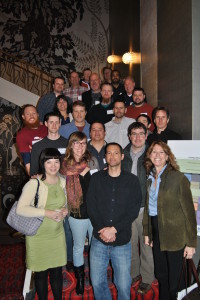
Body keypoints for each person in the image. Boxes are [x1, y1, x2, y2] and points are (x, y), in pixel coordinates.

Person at [87, 142, 142, 300]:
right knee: (97, 282)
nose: (112, 156)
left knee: (124, 284)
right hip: (99, 239)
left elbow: (133, 209)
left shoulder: (132, 180)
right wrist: (103, 230)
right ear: (105, 157)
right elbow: (91, 206)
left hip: (122, 240)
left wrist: (114, 229)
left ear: (122, 156)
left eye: (116, 153)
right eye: (109, 153)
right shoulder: (96, 178)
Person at [143, 141, 197, 299]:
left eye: (161, 152)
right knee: (161, 274)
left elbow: (189, 213)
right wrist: (148, 233)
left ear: (167, 156)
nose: (157, 155)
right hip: (157, 231)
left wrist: (191, 243)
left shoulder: (178, 178)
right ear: (150, 155)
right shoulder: (150, 178)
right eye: (154, 152)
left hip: (175, 235)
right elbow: (149, 209)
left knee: (175, 280)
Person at [16, 148, 68, 300]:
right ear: (43, 163)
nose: (53, 165)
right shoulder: (34, 184)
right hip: (38, 237)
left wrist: (65, 210)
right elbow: (21, 209)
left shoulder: (63, 181)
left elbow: (67, 204)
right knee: (41, 274)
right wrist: (47, 212)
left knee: (57, 273)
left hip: (57, 235)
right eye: (49, 162)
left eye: (56, 161)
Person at [60, 132, 99, 295]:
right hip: (76, 212)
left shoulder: (92, 161)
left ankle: (96, 277)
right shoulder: (63, 165)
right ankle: (81, 280)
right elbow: (61, 189)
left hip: (95, 210)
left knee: (96, 246)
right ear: (71, 145)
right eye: (76, 143)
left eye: (83, 143)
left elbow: (99, 185)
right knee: (77, 247)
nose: (80, 146)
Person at [122, 122, 154, 294]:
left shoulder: (152, 154)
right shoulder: (122, 155)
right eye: (134, 134)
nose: (137, 137)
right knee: (130, 244)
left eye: (141, 133)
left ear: (146, 135)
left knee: (147, 244)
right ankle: (133, 273)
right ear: (129, 136)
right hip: (127, 209)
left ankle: (147, 277)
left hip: (146, 208)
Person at [30, 112, 68, 176]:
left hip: (64, 181)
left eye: (56, 122)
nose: (54, 125)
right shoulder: (37, 146)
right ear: (46, 123)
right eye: (51, 122)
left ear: (60, 124)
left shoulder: (68, 144)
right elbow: (34, 172)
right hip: (45, 182)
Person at [16, 104, 47, 175]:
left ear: (38, 115)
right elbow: (27, 160)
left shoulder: (47, 129)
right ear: (23, 117)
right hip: (38, 171)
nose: (31, 116)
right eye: (28, 114)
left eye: (34, 113)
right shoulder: (21, 135)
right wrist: (33, 177)